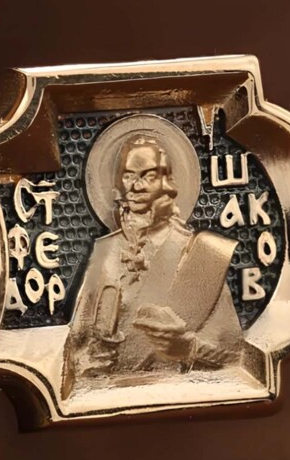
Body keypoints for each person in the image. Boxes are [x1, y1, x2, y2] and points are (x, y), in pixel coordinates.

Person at [62, 130, 242, 392]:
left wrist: (188, 347)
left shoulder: (202, 255)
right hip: (109, 395)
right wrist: (85, 361)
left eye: (147, 176)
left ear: (166, 181)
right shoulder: (104, 251)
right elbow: (77, 340)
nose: (135, 187)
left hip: (182, 395)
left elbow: (235, 355)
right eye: (128, 175)